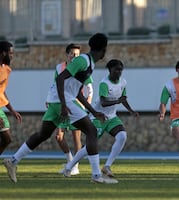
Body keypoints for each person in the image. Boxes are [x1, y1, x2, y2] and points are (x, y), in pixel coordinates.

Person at [3, 33, 118, 184]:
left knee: (43, 134)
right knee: (91, 131)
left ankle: (12, 161)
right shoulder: (83, 60)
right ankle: (96, 176)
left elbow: (77, 91)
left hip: (58, 99)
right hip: (61, 100)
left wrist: (94, 111)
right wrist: (64, 105)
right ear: (103, 50)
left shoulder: (89, 63)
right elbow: (60, 78)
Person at [62, 59, 139, 178]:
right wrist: (118, 101)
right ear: (110, 70)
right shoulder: (105, 83)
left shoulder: (123, 82)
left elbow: (123, 98)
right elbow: (103, 102)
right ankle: (69, 166)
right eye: (116, 70)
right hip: (98, 117)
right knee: (89, 147)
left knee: (122, 136)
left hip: (112, 117)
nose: (119, 72)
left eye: (120, 70)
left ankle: (107, 166)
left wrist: (131, 110)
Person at [51, 43, 93, 175]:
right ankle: (70, 161)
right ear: (67, 54)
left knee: (76, 138)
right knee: (59, 136)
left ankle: (75, 167)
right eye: (73, 54)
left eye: (78, 55)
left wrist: (86, 108)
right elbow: (55, 85)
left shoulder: (81, 68)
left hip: (76, 105)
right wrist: (50, 100)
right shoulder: (59, 68)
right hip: (62, 104)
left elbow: (90, 90)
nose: (75, 57)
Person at [0, 41, 22, 156]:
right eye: (10, 53)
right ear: (3, 53)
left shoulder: (7, 69)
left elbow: (2, 91)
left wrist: (12, 110)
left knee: (7, 139)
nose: (12, 56)